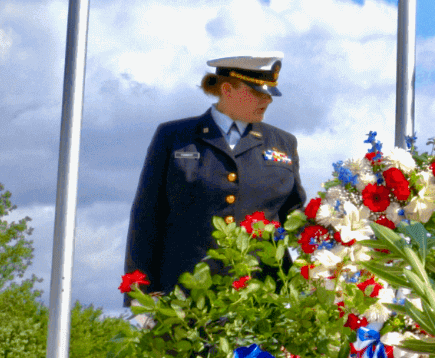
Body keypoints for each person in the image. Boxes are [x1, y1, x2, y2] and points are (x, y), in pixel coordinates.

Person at [125, 54, 306, 298]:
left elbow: (295, 219)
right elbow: (147, 218)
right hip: (185, 297)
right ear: (228, 89)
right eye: (257, 92)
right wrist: (141, 296)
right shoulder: (174, 137)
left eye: (270, 93)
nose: (267, 100)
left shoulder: (283, 143)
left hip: (263, 298)